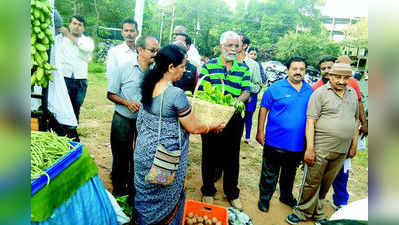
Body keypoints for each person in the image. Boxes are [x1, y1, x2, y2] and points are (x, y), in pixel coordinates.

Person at [134, 44, 224, 225]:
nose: (184, 71)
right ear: (170, 67)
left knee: (146, 197)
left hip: (143, 153)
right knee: (164, 197)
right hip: (163, 159)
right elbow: (194, 127)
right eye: (182, 66)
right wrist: (213, 126)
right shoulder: (175, 94)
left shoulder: (148, 84)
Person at [286, 62, 359, 225]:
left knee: (327, 183)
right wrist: (310, 148)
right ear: (330, 76)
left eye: (346, 78)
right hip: (321, 147)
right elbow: (310, 121)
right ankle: (302, 211)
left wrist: (353, 145)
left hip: (341, 149)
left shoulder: (352, 93)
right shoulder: (319, 93)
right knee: (312, 181)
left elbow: (355, 120)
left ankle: (318, 213)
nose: (341, 81)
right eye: (338, 77)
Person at [198, 31, 251, 211]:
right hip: (211, 118)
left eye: (237, 46)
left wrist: (235, 104)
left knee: (232, 157)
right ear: (221, 47)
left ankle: (231, 193)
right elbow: (202, 92)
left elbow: (246, 91)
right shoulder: (209, 66)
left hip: (234, 119)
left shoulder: (243, 68)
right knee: (209, 155)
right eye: (230, 45)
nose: (234, 49)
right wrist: (217, 111)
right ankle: (208, 191)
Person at [255, 56, 313, 212]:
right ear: (288, 70)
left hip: (297, 143)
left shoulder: (310, 91)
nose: (298, 72)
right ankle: (264, 199)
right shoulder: (275, 88)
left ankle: (286, 196)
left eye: (301, 69)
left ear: (305, 71)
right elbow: (264, 108)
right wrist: (260, 131)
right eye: (295, 69)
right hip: (275, 140)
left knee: (289, 173)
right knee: (269, 173)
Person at [107, 36, 159, 205]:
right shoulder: (124, 67)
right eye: (152, 50)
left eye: (157, 50)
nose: (155, 54)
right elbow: (111, 94)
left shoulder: (156, 72)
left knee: (139, 156)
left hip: (145, 123)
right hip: (123, 119)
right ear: (140, 50)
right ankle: (119, 190)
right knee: (121, 154)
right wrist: (127, 102)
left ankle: (134, 191)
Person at [312, 56, 368, 211]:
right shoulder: (316, 88)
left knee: (342, 171)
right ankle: (315, 202)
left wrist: (364, 123)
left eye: (330, 67)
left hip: (344, 142)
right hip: (323, 144)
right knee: (318, 174)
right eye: (323, 68)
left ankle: (340, 199)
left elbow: (358, 105)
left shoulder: (351, 84)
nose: (327, 71)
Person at [57, 15, 94, 123]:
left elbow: (86, 48)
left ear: (83, 28)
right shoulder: (61, 39)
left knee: (75, 108)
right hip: (64, 78)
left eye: (80, 25)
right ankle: (60, 131)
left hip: (80, 81)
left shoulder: (87, 41)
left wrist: (67, 34)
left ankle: (72, 132)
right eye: (74, 23)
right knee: (61, 107)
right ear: (69, 25)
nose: (77, 27)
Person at [236, 34, 262, 147]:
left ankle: (246, 137)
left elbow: (258, 86)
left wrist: (245, 85)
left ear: (245, 45)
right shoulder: (227, 61)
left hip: (245, 102)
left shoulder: (253, 65)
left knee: (247, 117)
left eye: (238, 41)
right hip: (227, 103)